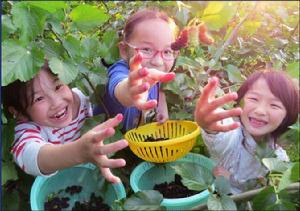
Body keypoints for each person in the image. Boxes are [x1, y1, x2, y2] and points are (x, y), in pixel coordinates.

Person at [2, 62, 128, 183]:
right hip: (57, 185)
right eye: (39, 98)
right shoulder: (27, 129)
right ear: (19, 113)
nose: (56, 103)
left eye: (58, 87)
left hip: (94, 177)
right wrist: (79, 152)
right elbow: (30, 156)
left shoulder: (86, 99)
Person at [194, 69, 299, 194]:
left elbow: (267, 192)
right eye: (254, 99)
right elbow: (220, 135)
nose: (260, 110)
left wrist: (230, 181)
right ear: (240, 101)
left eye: (274, 105)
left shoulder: (279, 159)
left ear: (286, 117)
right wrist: (209, 124)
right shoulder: (233, 131)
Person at [97, 9, 179, 132]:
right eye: (146, 49)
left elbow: (159, 86)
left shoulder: (153, 71)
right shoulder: (120, 71)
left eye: (167, 51)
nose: (158, 62)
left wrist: (162, 106)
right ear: (124, 50)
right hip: (111, 145)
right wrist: (130, 91)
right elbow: (120, 87)